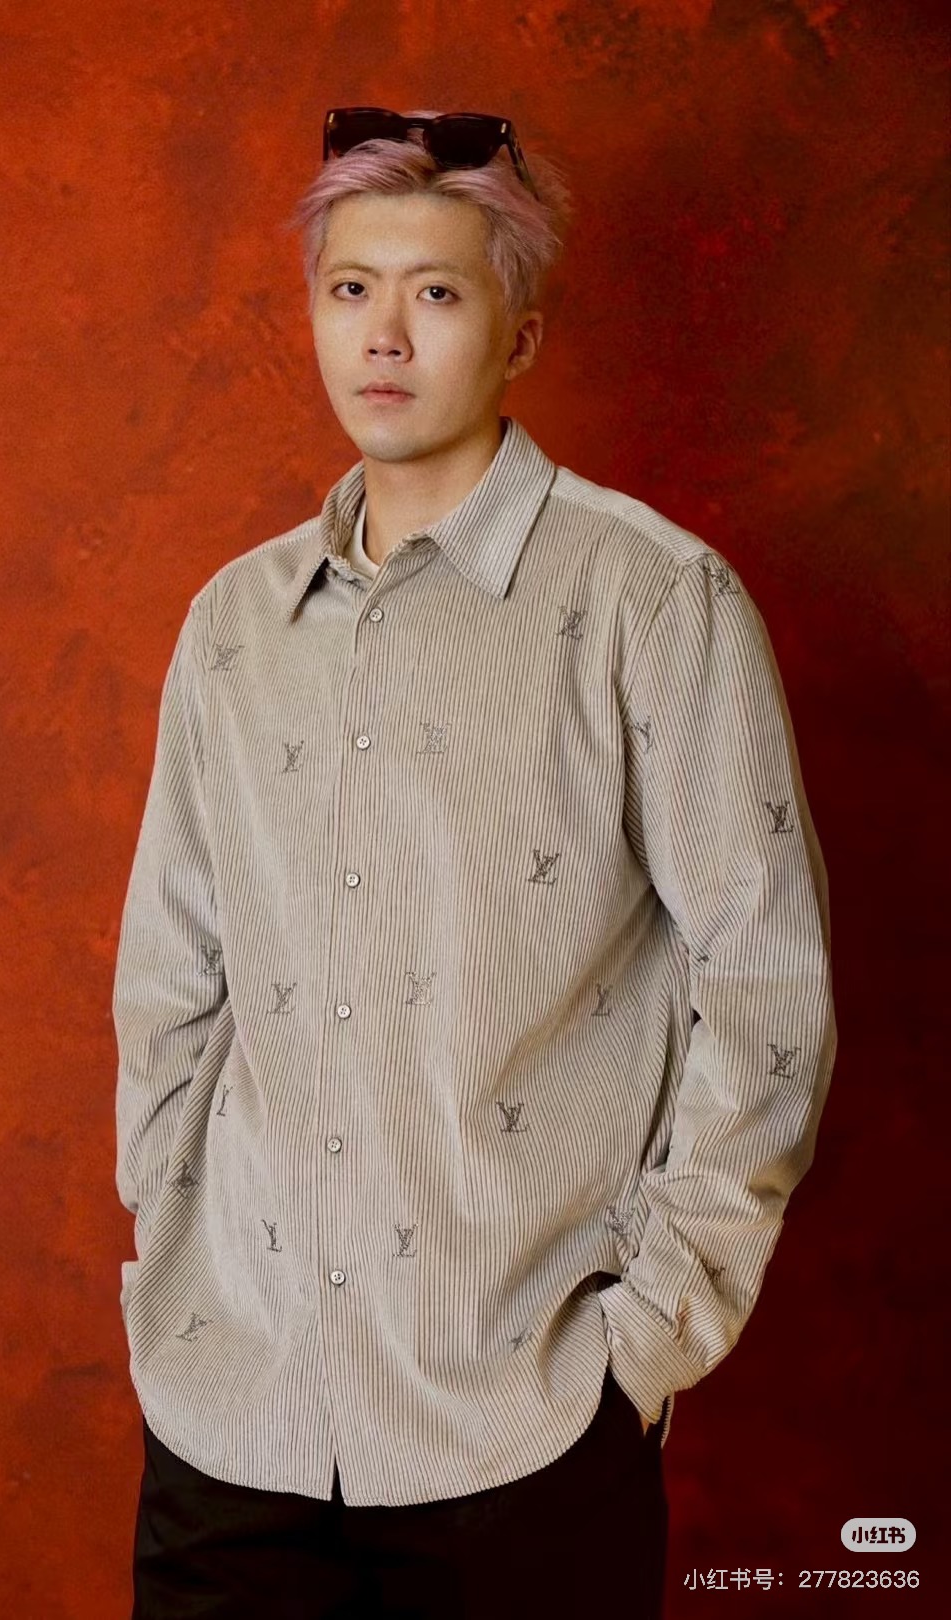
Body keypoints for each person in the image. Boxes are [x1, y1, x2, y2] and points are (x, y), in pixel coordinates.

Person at [113, 106, 837, 1620]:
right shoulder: (234, 623)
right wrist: (170, 1251)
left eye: (436, 292)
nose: (384, 333)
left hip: (521, 1425)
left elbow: (767, 992)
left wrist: (642, 1344)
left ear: (520, 336)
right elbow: (174, 976)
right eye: (350, 288)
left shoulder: (657, 601)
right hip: (233, 1410)